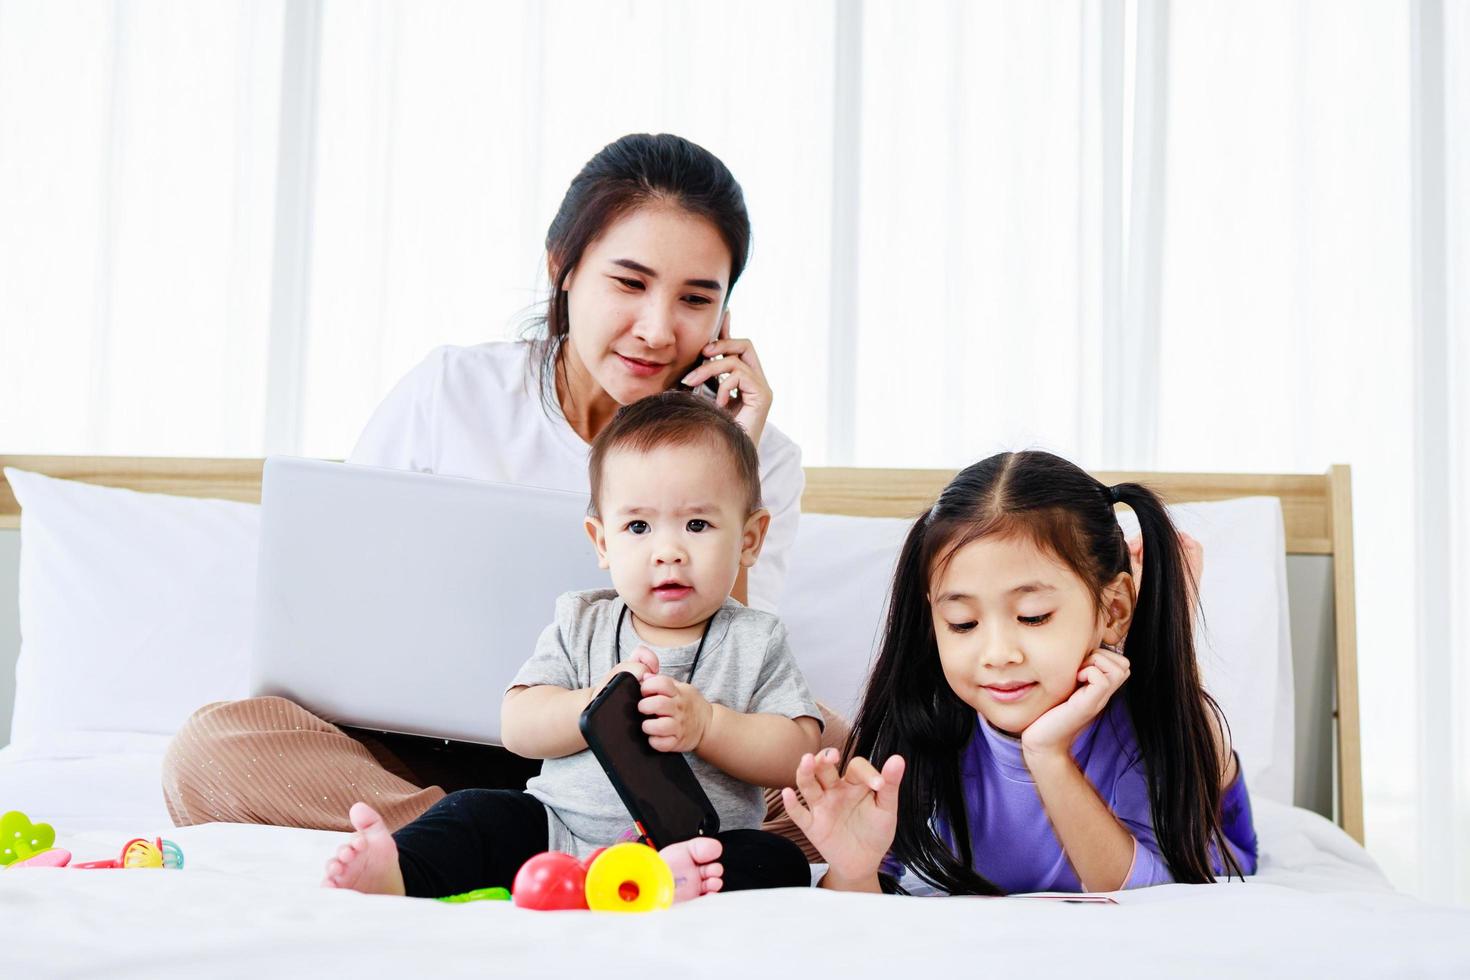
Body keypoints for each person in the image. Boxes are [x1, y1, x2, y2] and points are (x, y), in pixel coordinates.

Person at [162, 132, 809, 833]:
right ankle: (500, 832)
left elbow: (738, 673)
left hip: (640, 766)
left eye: (694, 299)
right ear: (563, 268)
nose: (656, 329)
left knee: (833, 756)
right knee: (209, 750)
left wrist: (732, 455)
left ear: (725, 318)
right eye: (629, 283)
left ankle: (493, 836)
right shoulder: (453, 393)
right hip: (416, 753)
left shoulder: (760, 451)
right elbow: (341, 607)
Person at [323, 392, 820, 899]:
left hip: (694, 850)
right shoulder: (581, 620)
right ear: (602, 541)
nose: (667, 551)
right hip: (557, 834)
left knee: (777, 860)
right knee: (473, 810)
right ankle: (400, 871)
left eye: (697, 525)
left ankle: (667, 882)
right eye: (638, 527)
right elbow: (518, 726)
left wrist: (710, 725)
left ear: (750, 539)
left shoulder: (756, 638)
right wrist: (591, 703)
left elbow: (798, 754)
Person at [780, 450, 1257, 895]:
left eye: (1032, 616)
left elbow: (1149, 900)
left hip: (1208, 821)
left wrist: (1047, 755)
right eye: (962, 623)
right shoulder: (923, 730)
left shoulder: (1141, 737)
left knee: (1188, 720)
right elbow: (863, 914)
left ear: (1112, 608)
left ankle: (1163, 629)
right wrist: (852, 868)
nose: (998, 654)